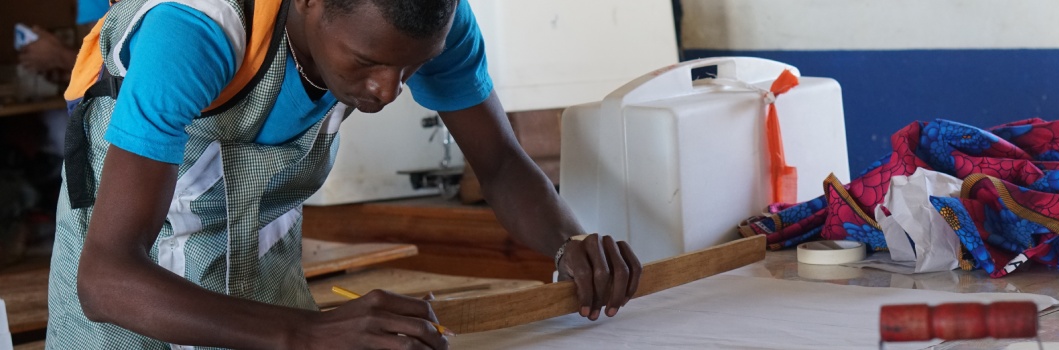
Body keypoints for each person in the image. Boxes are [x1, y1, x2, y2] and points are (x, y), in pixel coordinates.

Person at [48, 0, 643, 348]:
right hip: (131, 289)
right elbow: (107, 280)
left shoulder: (430, 18)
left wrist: (568, 243)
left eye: (413, 67)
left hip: (262, 280)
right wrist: (310, 335)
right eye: (368, 63)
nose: (389, 91)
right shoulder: (197, 32)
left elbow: (502, 164)